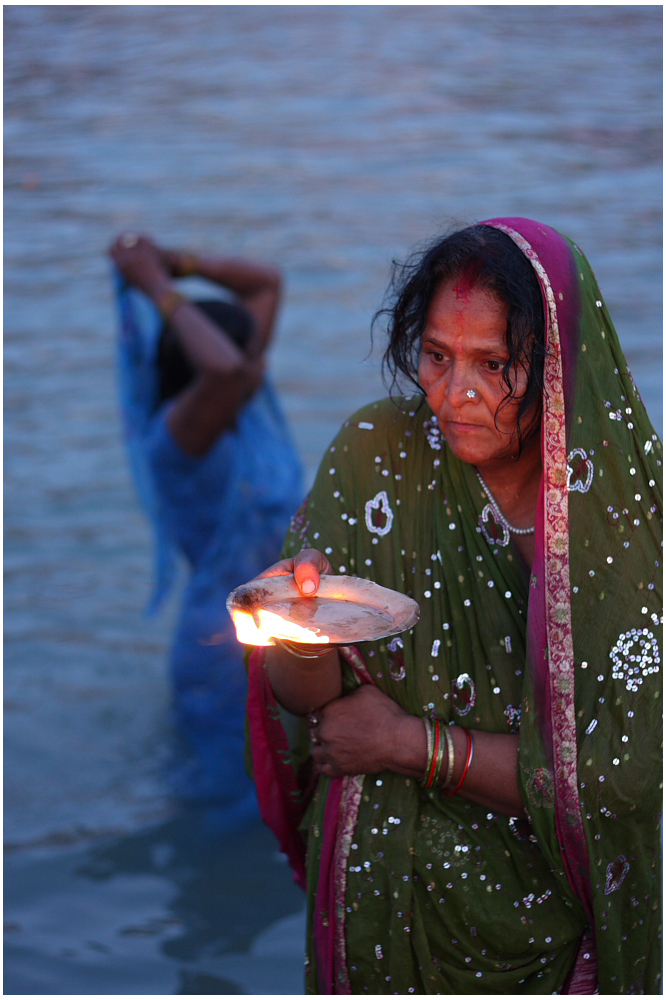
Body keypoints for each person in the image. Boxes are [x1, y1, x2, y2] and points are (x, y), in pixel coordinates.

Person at [244, 218, 662, 993]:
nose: (454, 394)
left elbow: (624, 778)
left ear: (561, 364)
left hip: (558, 932)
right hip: (386, 905)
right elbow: (320, 719)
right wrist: (300, 634)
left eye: (493, 364)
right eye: (436, 357)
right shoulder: (376, 456)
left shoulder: (630, 514)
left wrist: (412, 744)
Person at [109, 233, 303, 827]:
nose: (254, 366)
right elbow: (222, 367)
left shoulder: (240, 399)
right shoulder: (177, 437)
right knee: (226, 808)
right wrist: (156, 287)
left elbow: (266, 281)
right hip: (221, 652)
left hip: (277, 631)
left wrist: (176, 260)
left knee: (289, 793)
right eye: (241, 355)